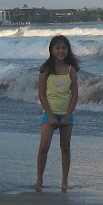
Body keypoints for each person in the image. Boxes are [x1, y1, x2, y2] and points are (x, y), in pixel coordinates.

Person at [35, 35, 79, 191]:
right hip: (49, 114)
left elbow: (75, 95)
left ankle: (65, 181)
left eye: (64, 48)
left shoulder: (70, 70)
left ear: (68, 50)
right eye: (58, 48)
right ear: (52, 49)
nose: (61, 51)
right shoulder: (45, 69)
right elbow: (41, 94)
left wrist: (67, 116)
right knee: (44, 146)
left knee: (65, 147)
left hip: (67, 115)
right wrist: (51, 116)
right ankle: (39, 179)